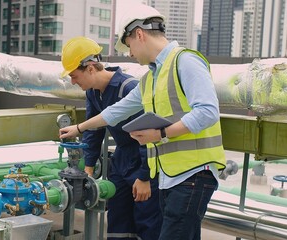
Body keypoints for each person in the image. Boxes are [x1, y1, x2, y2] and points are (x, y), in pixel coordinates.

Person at [59, 5, 226, 240]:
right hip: (171, 177)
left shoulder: (185, 61)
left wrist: (161, 134)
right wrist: (79, 128)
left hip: (194, 174)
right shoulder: (150, 79)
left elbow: (208, 112)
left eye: (129, 46)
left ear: (139, 34)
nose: (129, 54)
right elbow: (116, 111)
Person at [60, 36, 162, 240]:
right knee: (118, 220)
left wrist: (144, 177)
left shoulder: (128, 88)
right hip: (122, 160)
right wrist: (88, 169)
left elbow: (148, 135)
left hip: (143, 158)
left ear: (90, 68)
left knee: (147, 221)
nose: (72, 81)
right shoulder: (93, 93)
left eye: (74, 75)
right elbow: (94, 131)